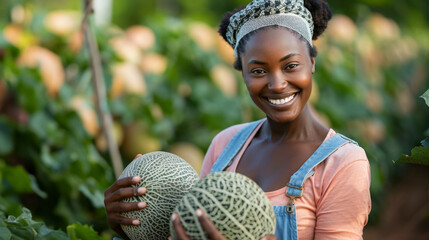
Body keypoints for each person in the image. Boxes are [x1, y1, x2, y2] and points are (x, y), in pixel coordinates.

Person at [103, 0, 371, 239]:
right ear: (242, 73)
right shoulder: (225, 144)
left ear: (311, 63)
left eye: (291, 66)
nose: (277, 84)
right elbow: (184, 228)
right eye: (258, 70)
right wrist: (128, 225)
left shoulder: (344, 164)